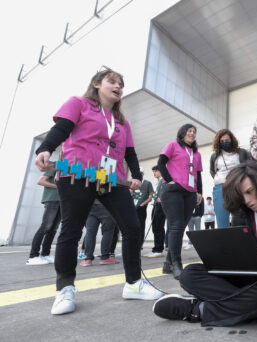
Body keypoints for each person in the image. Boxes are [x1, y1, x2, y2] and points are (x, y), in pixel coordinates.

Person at [34, 68, 164, 315]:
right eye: (112, 82)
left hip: (109, 178)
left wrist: (136, 176)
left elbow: (130, 153)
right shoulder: (79, 104)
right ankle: (64, 289)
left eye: (121, 84)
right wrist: (47, 147)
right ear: (96, 84)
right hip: (77, 174)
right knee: (71, 230)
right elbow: (62, 128)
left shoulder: (122, 121)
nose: (118, 87)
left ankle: (134, 284)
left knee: (132, 226)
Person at [152, 161, 257, 334]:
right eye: (241, 196)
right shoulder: (241, 212)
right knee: (189, 275)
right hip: (251, 275)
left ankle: (197, 310)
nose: (246, 200)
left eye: (249, 192)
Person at [157, 123, 203, 279]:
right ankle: (177, 264)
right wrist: (169, 180)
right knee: (176, 226)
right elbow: (161, 163)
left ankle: (168, 263)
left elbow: (198, 174)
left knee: (180, 227)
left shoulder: (196, 154)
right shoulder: (173, 145)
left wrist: (199, 192)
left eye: (194, 132)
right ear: (182, 133)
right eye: (189, 131)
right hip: (173, 191)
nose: (192, 133)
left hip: (190, 193)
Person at [210, 129, 252, 228]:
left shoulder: (241, 152)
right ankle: (225, 243)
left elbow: (249, 167)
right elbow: (213, 171)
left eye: (227, 140)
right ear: (218, 142)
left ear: (232, 140)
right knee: (222, 222)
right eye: (222, 141)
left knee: (240, 219)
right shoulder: (215, 156)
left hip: (238, 186)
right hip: (220, 188)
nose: (225, 143)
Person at [26, 169, 61, 265]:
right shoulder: (55, 166)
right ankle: (33, 256)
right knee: (45, 226)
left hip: (62, 201)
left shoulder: (70, 168)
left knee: (53, 229)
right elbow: (41, 181)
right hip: (52, 199)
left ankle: (45, 254)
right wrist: (58, 186)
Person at [79, 200, 119, 266]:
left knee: (90, 232)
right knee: (108, 232)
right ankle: (105, 257)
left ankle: (88, 259)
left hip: (90, 205)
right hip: (107, 205)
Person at [144, 165, 167, 257]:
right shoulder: (158, 181)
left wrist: (163, 199)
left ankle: (159, 249)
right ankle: (156, 248)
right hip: (156, 205)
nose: (154, 173)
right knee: (155, 227)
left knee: (158, 227)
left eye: (156, 171)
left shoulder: (164, 180)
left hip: (161, 206)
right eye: (153, 171)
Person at [132, 168, 154, 248]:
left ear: (142, 174)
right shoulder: (133, 182)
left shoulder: (147, 183)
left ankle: (139, 245)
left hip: (141, 208)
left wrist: (143, 204)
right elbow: (130, 193)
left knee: (141, 226)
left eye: (140, 173)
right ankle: (132, 244)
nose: (139, 174)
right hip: (132, 208)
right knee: (132, 226)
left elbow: (151, 196)